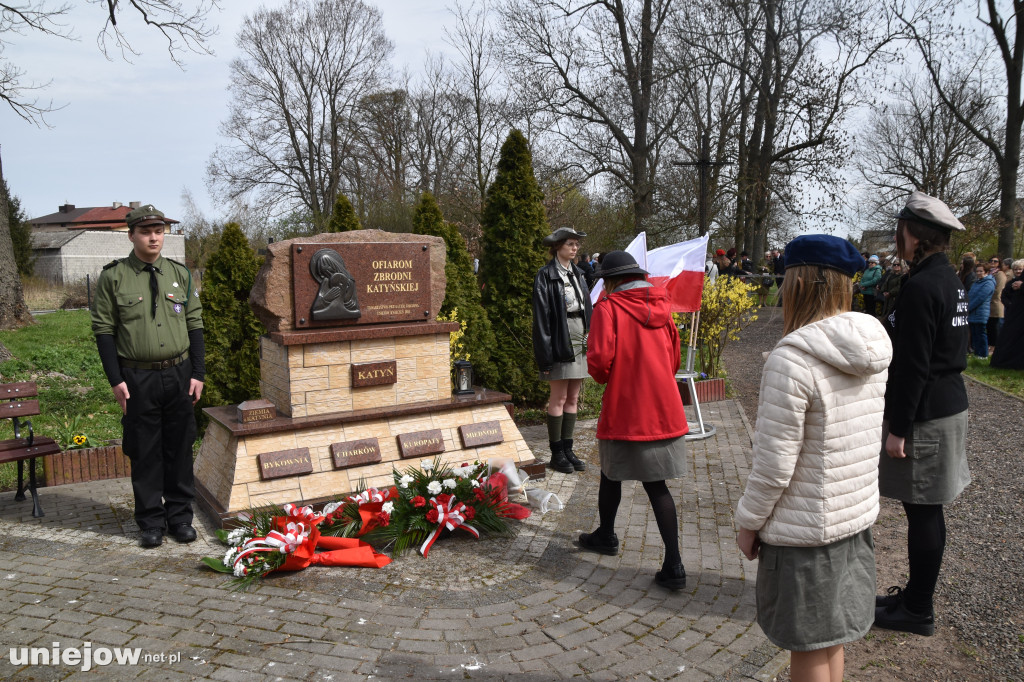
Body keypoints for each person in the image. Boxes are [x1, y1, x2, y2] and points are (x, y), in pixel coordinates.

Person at [735, 234, 891, 682]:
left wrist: (748, 524)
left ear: (797, 284)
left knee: (807, 647)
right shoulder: (871, 348)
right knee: (831, 640)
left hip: (804, 533)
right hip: (852, 518)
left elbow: (774, 465)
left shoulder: (793, 359)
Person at [875, 191, 970, 637]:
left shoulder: (922, 286)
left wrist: (899, 429)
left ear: (913, 234)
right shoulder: (948, 279)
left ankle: (917, 609)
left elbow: (913, 365)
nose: (898, 237)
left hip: (927, 412)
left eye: (901, 230)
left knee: (924, 511)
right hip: (947, 402)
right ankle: (915, 598)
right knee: (927, 511)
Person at [91, 204, 205, 548]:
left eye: (158, 231)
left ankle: (180, 518)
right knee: (145, 451)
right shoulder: (114, 277)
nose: (153, 237)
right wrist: (115, 379)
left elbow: (195, 323)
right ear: (131, 235)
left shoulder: (180, 274)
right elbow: (104, 331)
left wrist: (198, 372)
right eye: (145, 232)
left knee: (180, 448)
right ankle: (151, 522)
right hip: (137, 378)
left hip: (179, 374)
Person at [579, 251, 690, 589]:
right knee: (655, 484)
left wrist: (615, 377)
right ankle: (672, 563)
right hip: (664, 407)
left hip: (627, 405)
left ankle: (610, 537)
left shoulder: (608, 308)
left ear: (611, 281)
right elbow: (674, 356)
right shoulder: (663, 304)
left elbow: (599, 360)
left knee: (611, 471)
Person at [532, 227, 592, 474]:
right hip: (559, 336)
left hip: (579, 334)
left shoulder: (578, 273)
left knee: (573, 397)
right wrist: (545, 356)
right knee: (558, 397)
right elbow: (542, 318)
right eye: (570, 244)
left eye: (577, 244)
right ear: (557, 246)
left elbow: (587, 306)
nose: (575, 248)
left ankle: (568, 449)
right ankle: (556, 452)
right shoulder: (545, 275)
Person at [991, 259, 1024, 369]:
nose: (1018, 271)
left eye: (1020, 269)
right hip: (1015, 312)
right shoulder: (1012, 282)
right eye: (1016, 269)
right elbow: (1005, 294)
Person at [967, 263, 994, 357]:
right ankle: (976, 352)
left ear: (986, 272)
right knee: (974, 334)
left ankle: (983, 354)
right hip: (972, 312)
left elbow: (980, 298)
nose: (978, 273)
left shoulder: (989, 283)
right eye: (977, 271)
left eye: (981, 271)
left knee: (981, 334)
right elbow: (970, 295)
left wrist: (968, 307)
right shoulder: (976, 282)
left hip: (981, 312)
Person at [986, 255, 1006, 351]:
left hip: (995, 303)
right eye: (991, 261)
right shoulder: (989, 273)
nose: (993, 263)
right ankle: (990, 346)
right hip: (988, 304)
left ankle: (994, 348)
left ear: (999, 263)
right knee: (990, 327)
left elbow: (998, 290)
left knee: (995, 327)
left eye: (995, 261)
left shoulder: (1000, 274)